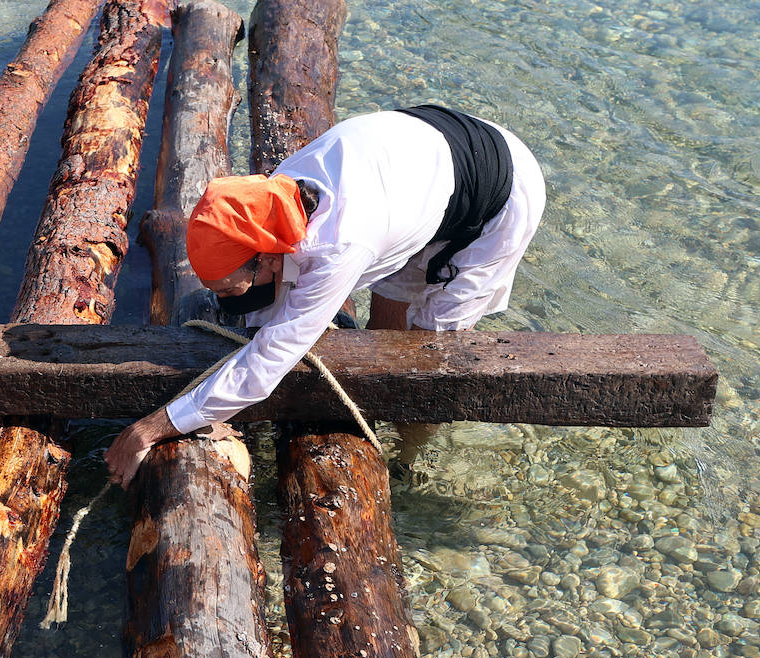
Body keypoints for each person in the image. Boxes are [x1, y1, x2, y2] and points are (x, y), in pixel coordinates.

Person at [104, 105, 545, 487]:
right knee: (388, 314)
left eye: (228, 289)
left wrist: (153, 428)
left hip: (500, 191)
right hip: (417, 167)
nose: (226, 300)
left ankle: (406, 458)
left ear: (268, 259)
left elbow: (267, 362)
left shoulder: (339, 245)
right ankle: (372, 417)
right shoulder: (268, 199)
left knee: (432, 350)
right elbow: (273, 315)